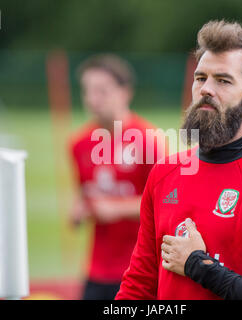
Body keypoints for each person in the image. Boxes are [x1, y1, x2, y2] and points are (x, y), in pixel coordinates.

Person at [116, 20, 242, 300]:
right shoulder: (164, 173)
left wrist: (200, 266)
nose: (206, 89)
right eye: (200, 78)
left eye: (223, 80)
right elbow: (139, 284)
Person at [68, 54, 163, 300]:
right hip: (96, 270)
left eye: (102, 91)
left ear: (125, 92)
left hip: (140, 268)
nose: (93, 99)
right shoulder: (79, 144)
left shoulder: (149, 140)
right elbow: (84, 194)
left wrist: (117, 208)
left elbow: (165, 204)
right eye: (87, 90)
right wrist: (78, 210)